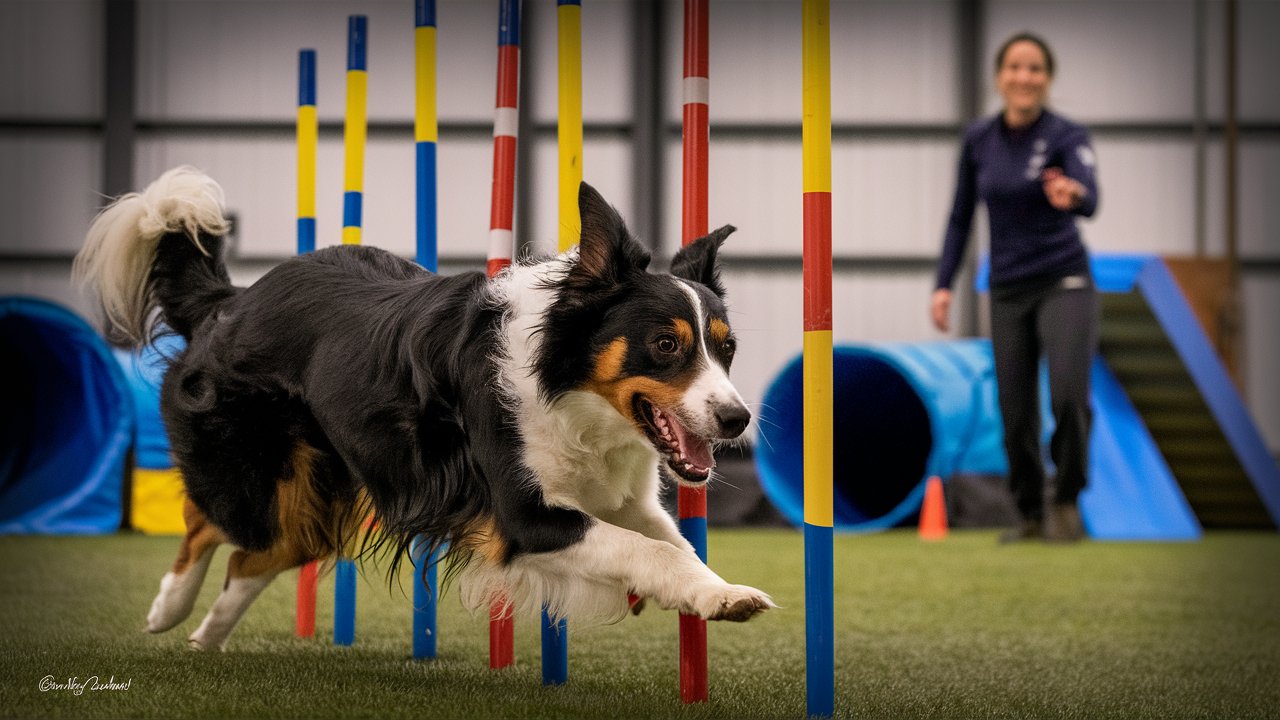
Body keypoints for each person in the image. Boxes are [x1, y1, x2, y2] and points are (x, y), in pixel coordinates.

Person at [930, 32, 1099, 543]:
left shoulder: (1067, 135)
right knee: (1014, 407)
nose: (1024, 78)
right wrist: (943, 285)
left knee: (1069, 394)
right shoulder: (979, 139)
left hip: (1065, 280)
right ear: (1000, 76)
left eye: (1035, 69)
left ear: (1047, 79)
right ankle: (1028, 513)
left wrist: (1072, 194)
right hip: (1006, 288)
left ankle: (1066, 500)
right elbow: (961, 217)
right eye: (1015, 68)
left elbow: (1092, 199)